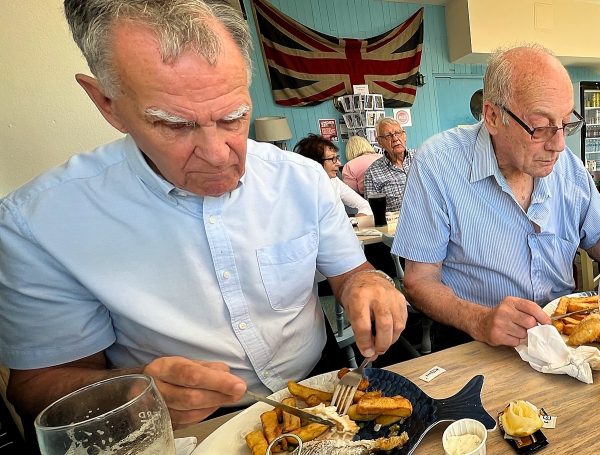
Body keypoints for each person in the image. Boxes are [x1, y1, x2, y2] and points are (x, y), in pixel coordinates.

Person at [0, 0, 406, 428]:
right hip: (178, 424)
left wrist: (370, 284)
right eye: (174, 124)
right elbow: (35, 386)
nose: (216, 155)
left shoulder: (301, 179)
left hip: (322, 388)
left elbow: (352, 273)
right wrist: (130, 390)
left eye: (234, 117)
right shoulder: (40, 222)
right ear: (108, 104)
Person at [390, 44, 600, 349]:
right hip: (475, 342)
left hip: (563, 339)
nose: (559, 145)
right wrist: (478, 319)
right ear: (493, 117)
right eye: (540, 127)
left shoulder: (568, 167)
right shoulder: (440, 163)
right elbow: (419, 281)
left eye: (565, 124)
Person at [294, 134, 374, 227]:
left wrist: (356, 220)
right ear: (315, 162)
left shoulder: (334, 181)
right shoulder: (300, 190)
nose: (339, 163)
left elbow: (364, 205)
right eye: (332, 159)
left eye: (337, 158)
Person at [364, 118, 413, 212]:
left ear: (404, 136)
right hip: (396, 224)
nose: (395, 138)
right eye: (388, 136)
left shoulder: (420, 159)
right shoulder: (372, 173)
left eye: (398, 133)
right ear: (379, 142)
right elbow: (372, 210)